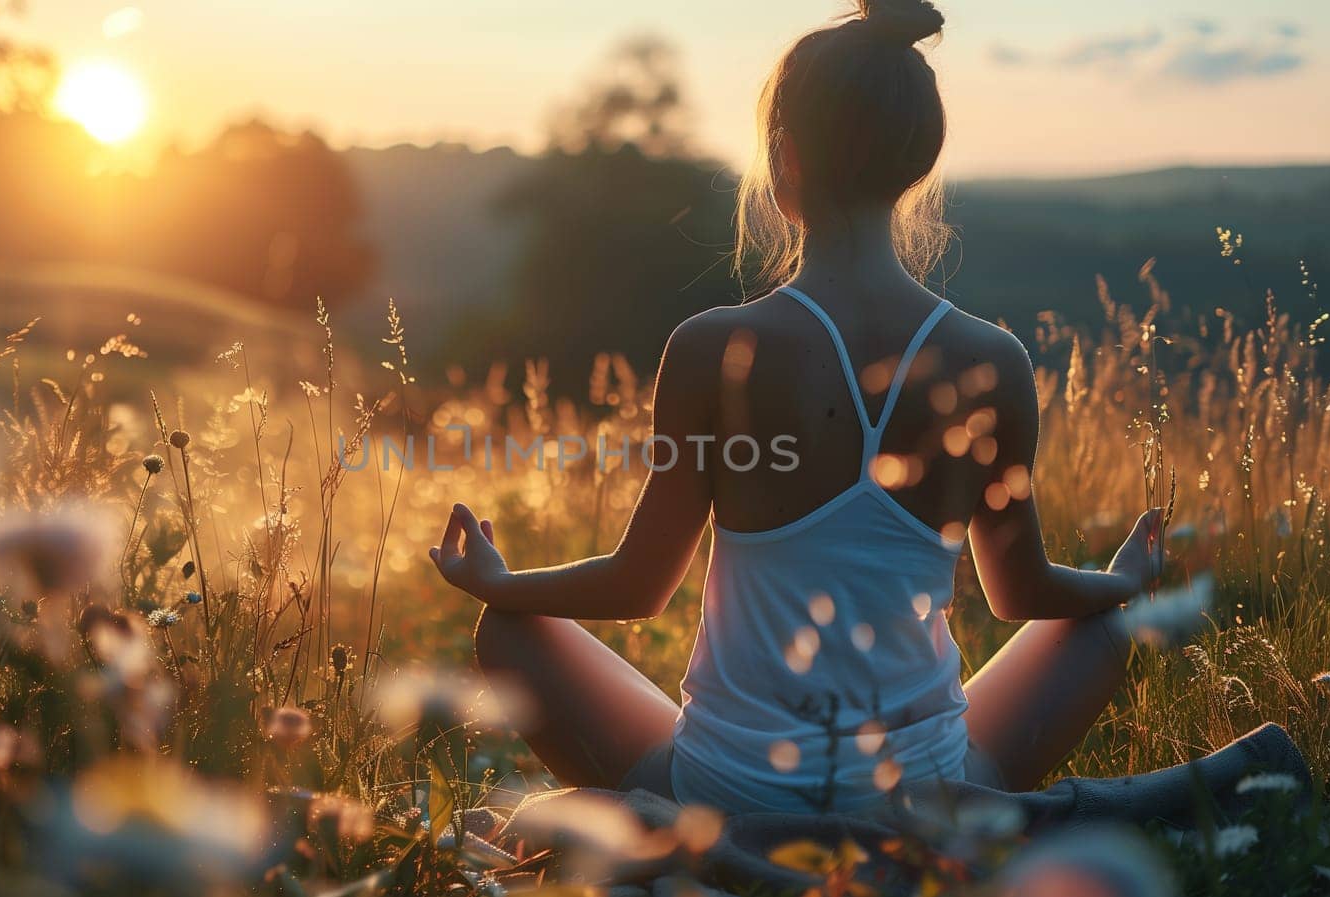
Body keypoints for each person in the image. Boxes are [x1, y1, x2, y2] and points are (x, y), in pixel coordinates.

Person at [428, 0, 1163, 814]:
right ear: (918, 161)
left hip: (723, 792)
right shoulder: (995, 359)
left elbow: (638, 583)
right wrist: (1118, 581)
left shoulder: (713, 346)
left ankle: (727, 839)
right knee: (1103, 625)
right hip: (923, 795)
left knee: (507, 629)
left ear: (785, 160)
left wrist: (499, 580)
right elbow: (1020, 593)